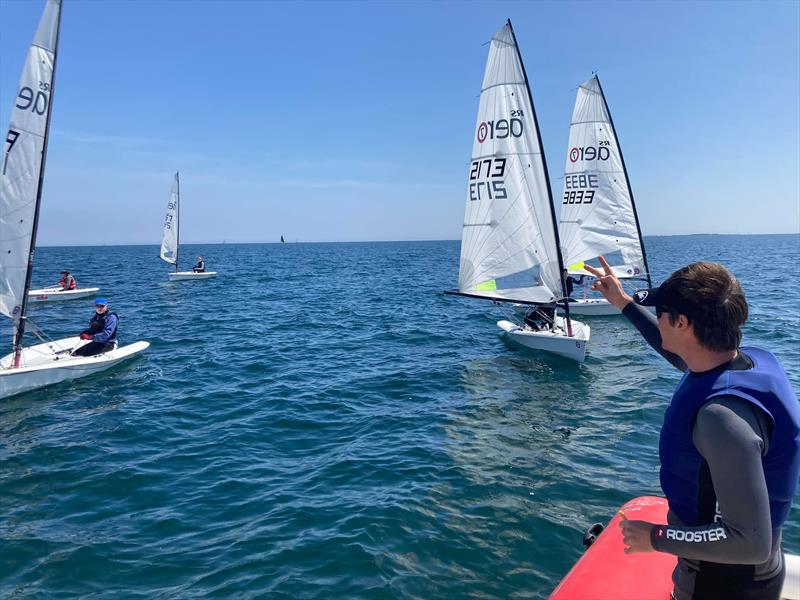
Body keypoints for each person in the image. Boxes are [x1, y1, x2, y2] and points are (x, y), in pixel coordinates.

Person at [585, 256, 800, 600]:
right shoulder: (747, 361)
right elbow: (679, 354)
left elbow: (750, 541)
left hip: (722, 584)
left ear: (683, 323)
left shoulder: (722, 418)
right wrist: (623, 302)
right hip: (740, 576)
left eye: (662, 313)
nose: (659, 318)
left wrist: (654, 538)